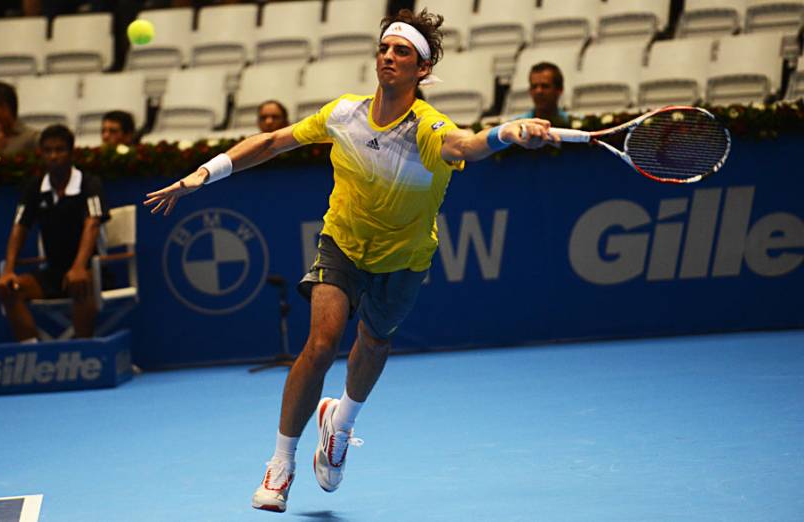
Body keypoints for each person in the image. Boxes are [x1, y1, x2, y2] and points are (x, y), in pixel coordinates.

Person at [143, 8, 557, 513]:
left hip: (403, 259)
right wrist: (200, 177)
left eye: (402, 51)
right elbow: (273, 142)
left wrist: (505, 134)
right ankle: (280, 465)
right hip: (341, 243)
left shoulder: (428, 128)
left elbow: (465, 145)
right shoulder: (344, 113)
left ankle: (339, 424)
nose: (388, 57)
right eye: (384, 48)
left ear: (421, 70)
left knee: (374, 344)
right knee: (320, 343)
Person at [0, 124, 110, 343]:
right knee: (10, 289)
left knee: (82, 282)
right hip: (52, 273)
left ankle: (82, 354)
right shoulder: (34, 188)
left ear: (71, 153)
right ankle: (33, 355)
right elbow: (20, 227)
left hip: (89, 271)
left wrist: (78, 267)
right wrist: (8, 270)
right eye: (48, 151)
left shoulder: (89, 184)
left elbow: (92, 224)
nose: (53, 156)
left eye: (60, 150)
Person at [519, 61, 570, 128]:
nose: (538, 91)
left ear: (559, 90)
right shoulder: (518, 126)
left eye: (545, 86)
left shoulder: (574, 125)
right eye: (534, 86)